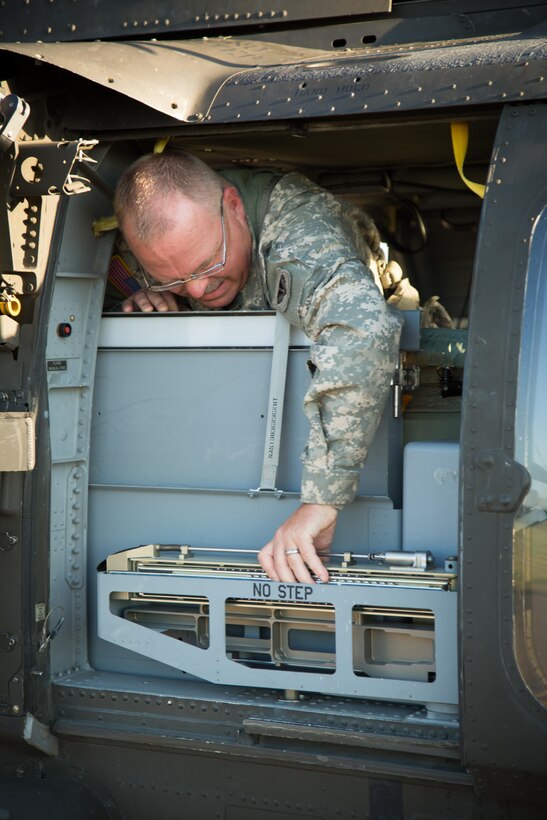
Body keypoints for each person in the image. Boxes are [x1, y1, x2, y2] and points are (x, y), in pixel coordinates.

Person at [112, 150, 404, 585]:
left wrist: (322, 501)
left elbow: (362, 329)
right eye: (172, 279)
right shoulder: (158, 241)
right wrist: (150, 301)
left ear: (234, 207)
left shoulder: (299, 236)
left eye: (207, 264)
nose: (197, 288)